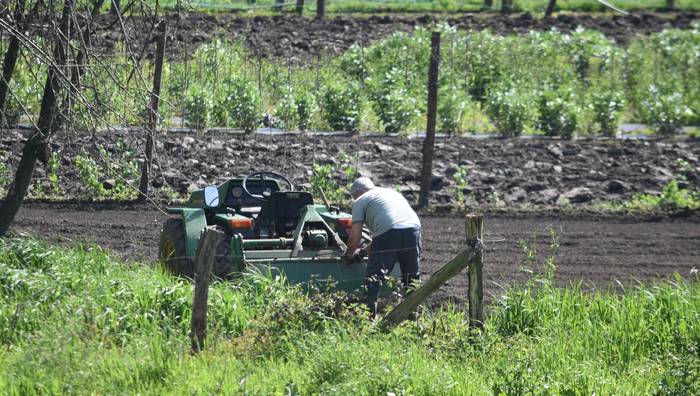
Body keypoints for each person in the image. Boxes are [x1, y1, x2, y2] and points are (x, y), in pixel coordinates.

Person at [342, 177, 422, 315]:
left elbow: (356, 234)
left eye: (354, 196)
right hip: (414, 230)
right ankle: (413, 318)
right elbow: (387, 234)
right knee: (411, 278)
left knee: (373, 279)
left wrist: (349, 254)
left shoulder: (361, 200)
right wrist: (362, 253)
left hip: (390, 232)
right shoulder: (392, 193)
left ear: (358, 192)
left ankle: (368, 320)